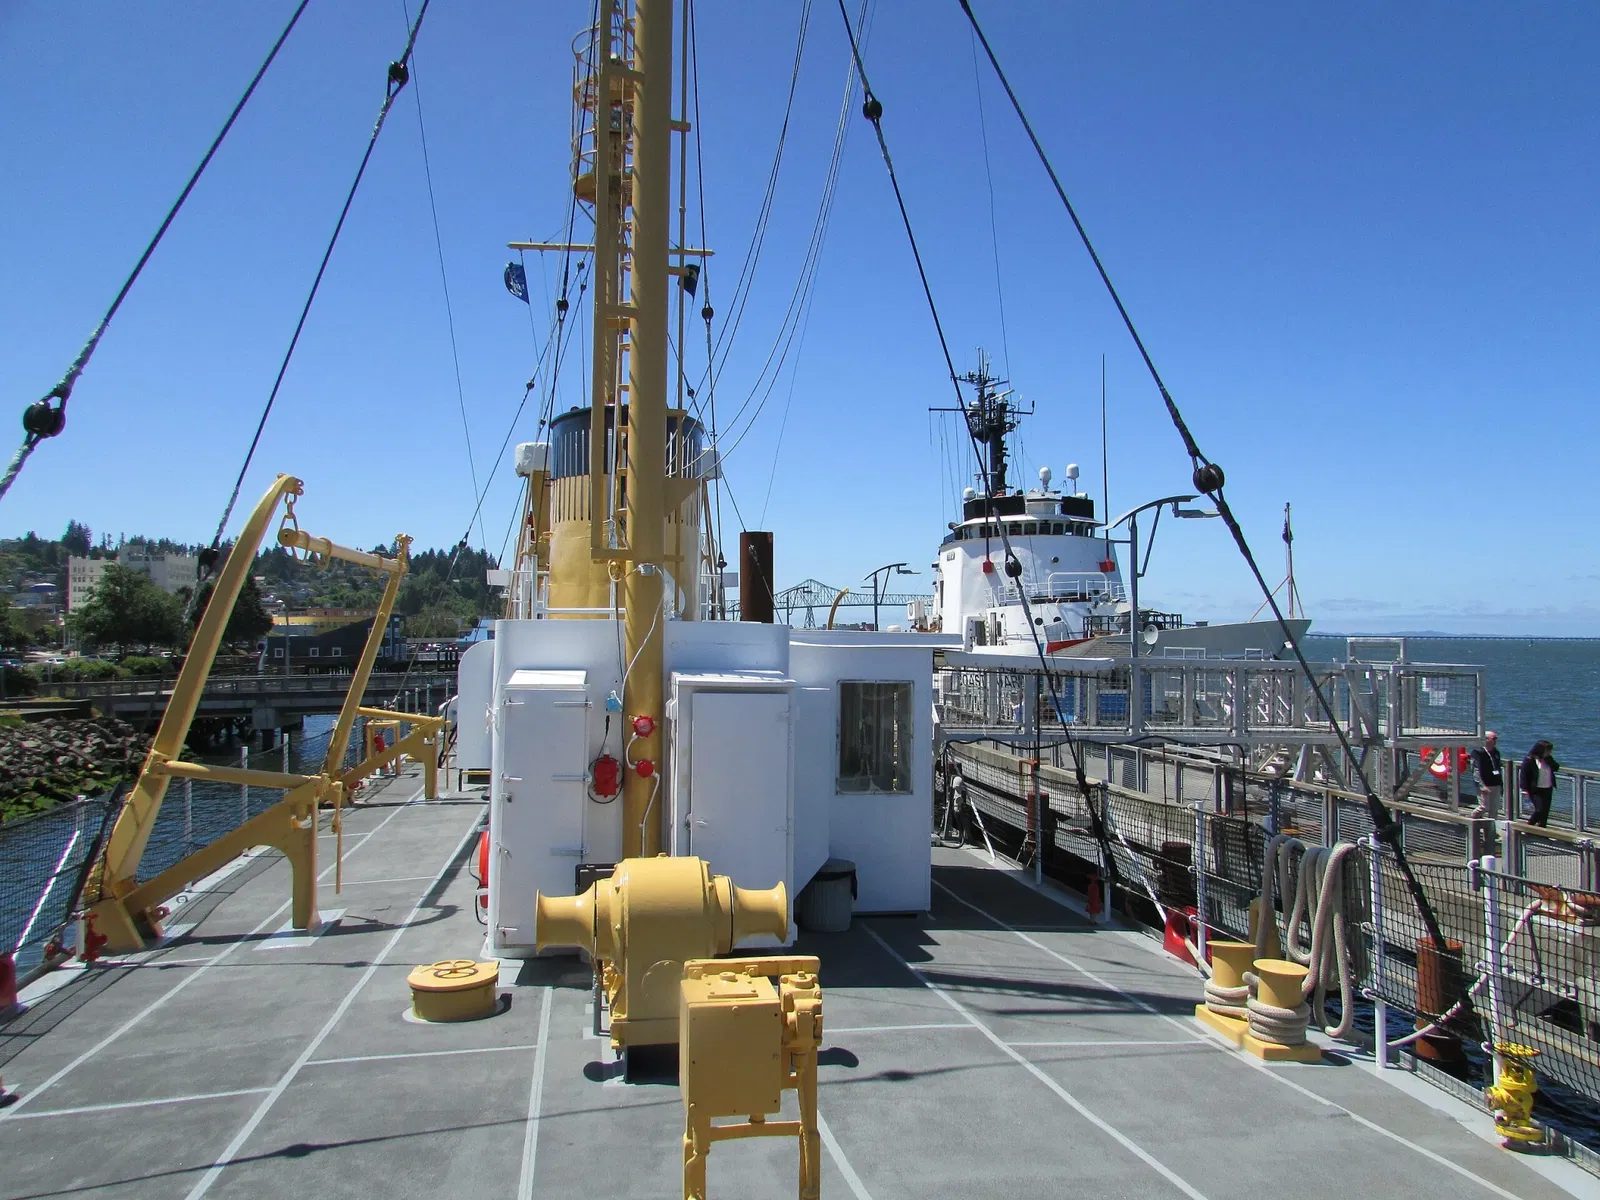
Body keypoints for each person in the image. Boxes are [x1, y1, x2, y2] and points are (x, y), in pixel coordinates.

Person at [1519, 740, 1560, 827]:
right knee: (1539, 810)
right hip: (1535, 790)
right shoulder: (1529, 759)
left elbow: (1556, 768)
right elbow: (1524, 775)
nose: (1549, 752)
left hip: (1548, 788)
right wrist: (1524, 789)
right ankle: (1529, 826)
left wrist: (1548, 759)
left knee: (1545, 812)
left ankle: (1542, 828)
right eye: (1547, 750)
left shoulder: (1548, 759)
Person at [1471, 731, 1503, 819]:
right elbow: (1476, 770)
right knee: (1484, 807)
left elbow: (1498, 767)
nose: (1496, 741)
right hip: (1485, 784)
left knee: (1494, 809)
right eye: (1494, 739)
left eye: (1496, 738)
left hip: (1495, 783)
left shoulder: (1496, 752)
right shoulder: (1478, 752)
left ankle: (1491, 825)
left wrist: (1501, 784)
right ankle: (1472, 818)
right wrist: (1482, 785)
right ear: (1486, 739)